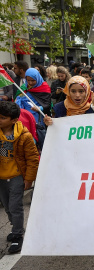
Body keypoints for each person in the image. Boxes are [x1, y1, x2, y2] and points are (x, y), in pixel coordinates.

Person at [0, 101, 39, 254]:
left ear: (14, 120)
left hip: (16, 177)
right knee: (7, 207)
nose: (0, 120)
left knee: (15, 207)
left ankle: (18, 235)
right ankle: (16, 227)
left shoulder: (25, 136)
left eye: (3, 118)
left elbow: (32, 158)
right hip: (1, 178)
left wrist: (29, 179)